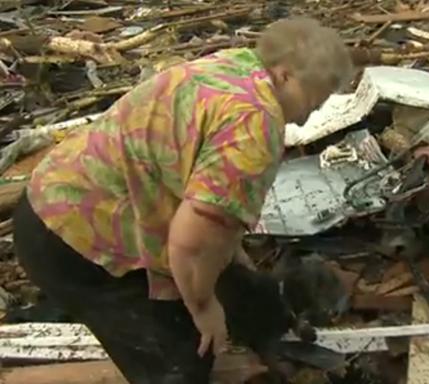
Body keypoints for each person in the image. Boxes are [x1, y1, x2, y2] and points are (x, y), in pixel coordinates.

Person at [12, 17, 352, 384]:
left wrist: (226, 255)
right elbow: (190, 245)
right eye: (315, 97)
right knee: (184, 363)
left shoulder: (237, 63)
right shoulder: (255, 127)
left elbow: (206, 214)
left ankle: (258, 331)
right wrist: (204, 309)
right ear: (284, 75)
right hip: (72, 239)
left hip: (60, 191)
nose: (310, 114)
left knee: (238, 289)